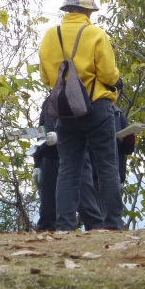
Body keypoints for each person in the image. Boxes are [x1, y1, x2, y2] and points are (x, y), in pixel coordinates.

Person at [38, 0, 124, 231]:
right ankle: (113, 224)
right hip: (97, 106)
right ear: (88, 10)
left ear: (67, 8)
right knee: (107, 166)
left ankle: (65, 226)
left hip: (65, 110)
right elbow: (108, 75)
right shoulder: (95, 34)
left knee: (68, 169)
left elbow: (46, 78)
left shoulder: (50, 35)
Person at [32, 96, 105, 232]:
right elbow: (41, 131)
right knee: (47, 208)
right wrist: (37, 164)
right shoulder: (49, 100)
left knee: (86, 204)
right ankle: (46, 237)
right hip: (49, 158)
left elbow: (88, 130)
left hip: (75, 157)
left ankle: (97, 233)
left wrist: (60, 137)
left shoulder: (79, 96)